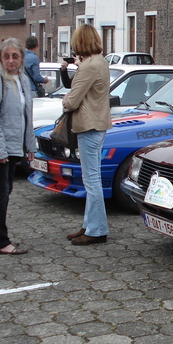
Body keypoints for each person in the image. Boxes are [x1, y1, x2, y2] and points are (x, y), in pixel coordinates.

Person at [0, 38, 37, 255]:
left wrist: (30, 145)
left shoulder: (21, 79)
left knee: (4, 192)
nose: (11, 60)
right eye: (6, 56)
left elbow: (26, 117)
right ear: (0, 58)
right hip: (1, 148)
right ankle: (1, 242)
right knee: (1, 193)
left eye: (15, 56)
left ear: (21, 58)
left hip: (15, 147)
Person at [63, 25, 111, 246]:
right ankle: (90, 224)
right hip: (97, 125)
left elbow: (72, 100)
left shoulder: (88, 66)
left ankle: (97, 229)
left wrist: (64, 101)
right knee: (92, 179)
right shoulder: (100, 62)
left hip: (89, 126)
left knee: (91, 180)